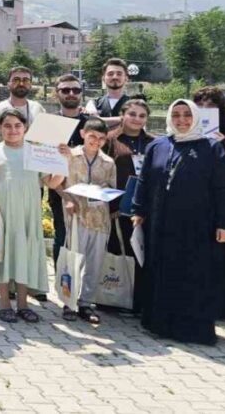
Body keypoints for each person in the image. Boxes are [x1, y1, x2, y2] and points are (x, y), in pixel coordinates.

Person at [132, 99, 225, 345]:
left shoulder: (212, 148)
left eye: (187, 114)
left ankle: (192, 329)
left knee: (194, 274)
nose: (182, 120)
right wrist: (138, 210)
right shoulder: (158, 145)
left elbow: (223, 189)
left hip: (197, 226)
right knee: (162, 272)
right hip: (161, 222)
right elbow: (144, 180)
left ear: (196, 117)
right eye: (176, 115)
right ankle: (160, 324)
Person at [0, 109, 66, 323]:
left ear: (25, 128)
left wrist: (63, 163)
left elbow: (51, 183)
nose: (13, 130)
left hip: (28, 213)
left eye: (17, 126)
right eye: (7, 126)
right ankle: (4, 303)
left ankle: (23, 304)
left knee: (24, 254)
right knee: (1, 253)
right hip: (1, 212)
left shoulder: (36, 151)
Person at [59, 117, 116, 324]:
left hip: (99, 219)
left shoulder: (108, 162)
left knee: (95, 263)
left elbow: (112, 187)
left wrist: (103, 192)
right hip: (76, 216)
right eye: (92, 136)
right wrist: (67, 199)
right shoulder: (69, 155)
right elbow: (57, 182)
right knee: (74, 260)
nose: (96, 141)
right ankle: (69, 301)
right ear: (83, 134)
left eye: (101, 138)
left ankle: (86, 303)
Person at [103, 98, 154, 314]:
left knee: (141, 254)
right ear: (122, 115)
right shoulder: (110, 140)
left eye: (142, 116)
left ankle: (139, 301)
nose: (137, 119)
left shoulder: (154, 143)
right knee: (117, 253)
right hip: (117, 208)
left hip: (144, 209)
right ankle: (113, 299)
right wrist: (110, 206)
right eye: (132, 114)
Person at [194, 85, 225, 319]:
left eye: (210, 105)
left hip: (221, 200)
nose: (204, 109)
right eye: (200, 104)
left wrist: (221, 145)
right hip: (196, 198)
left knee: (223, 253)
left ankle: (224, 305)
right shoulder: (190, 130)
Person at [46, 74, 88, 265]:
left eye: (76, 90)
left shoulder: (91, 124)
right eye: (65, 90)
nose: (71, 93)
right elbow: (46, 168)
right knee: (62, 239)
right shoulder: (49, 124)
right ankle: (61, 281)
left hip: (88, 194)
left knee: (87, 242)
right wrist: (67, 198)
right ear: (57, 94)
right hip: (60, 194)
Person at [0, 66, 45, 146]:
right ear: (8, 85)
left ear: (30, 85)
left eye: (26, 80)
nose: (21, 84)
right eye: (16, 80)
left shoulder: (38, 109)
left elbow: (43, 142)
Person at [91, 58, 130, 127]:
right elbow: (92, 123)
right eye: (110, 74)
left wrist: (100, 120)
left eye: (119, 74)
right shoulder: (93, 103)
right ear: (103, 78)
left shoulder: (134, 103)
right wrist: (124, 119)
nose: (115, 77)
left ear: (126, 78)